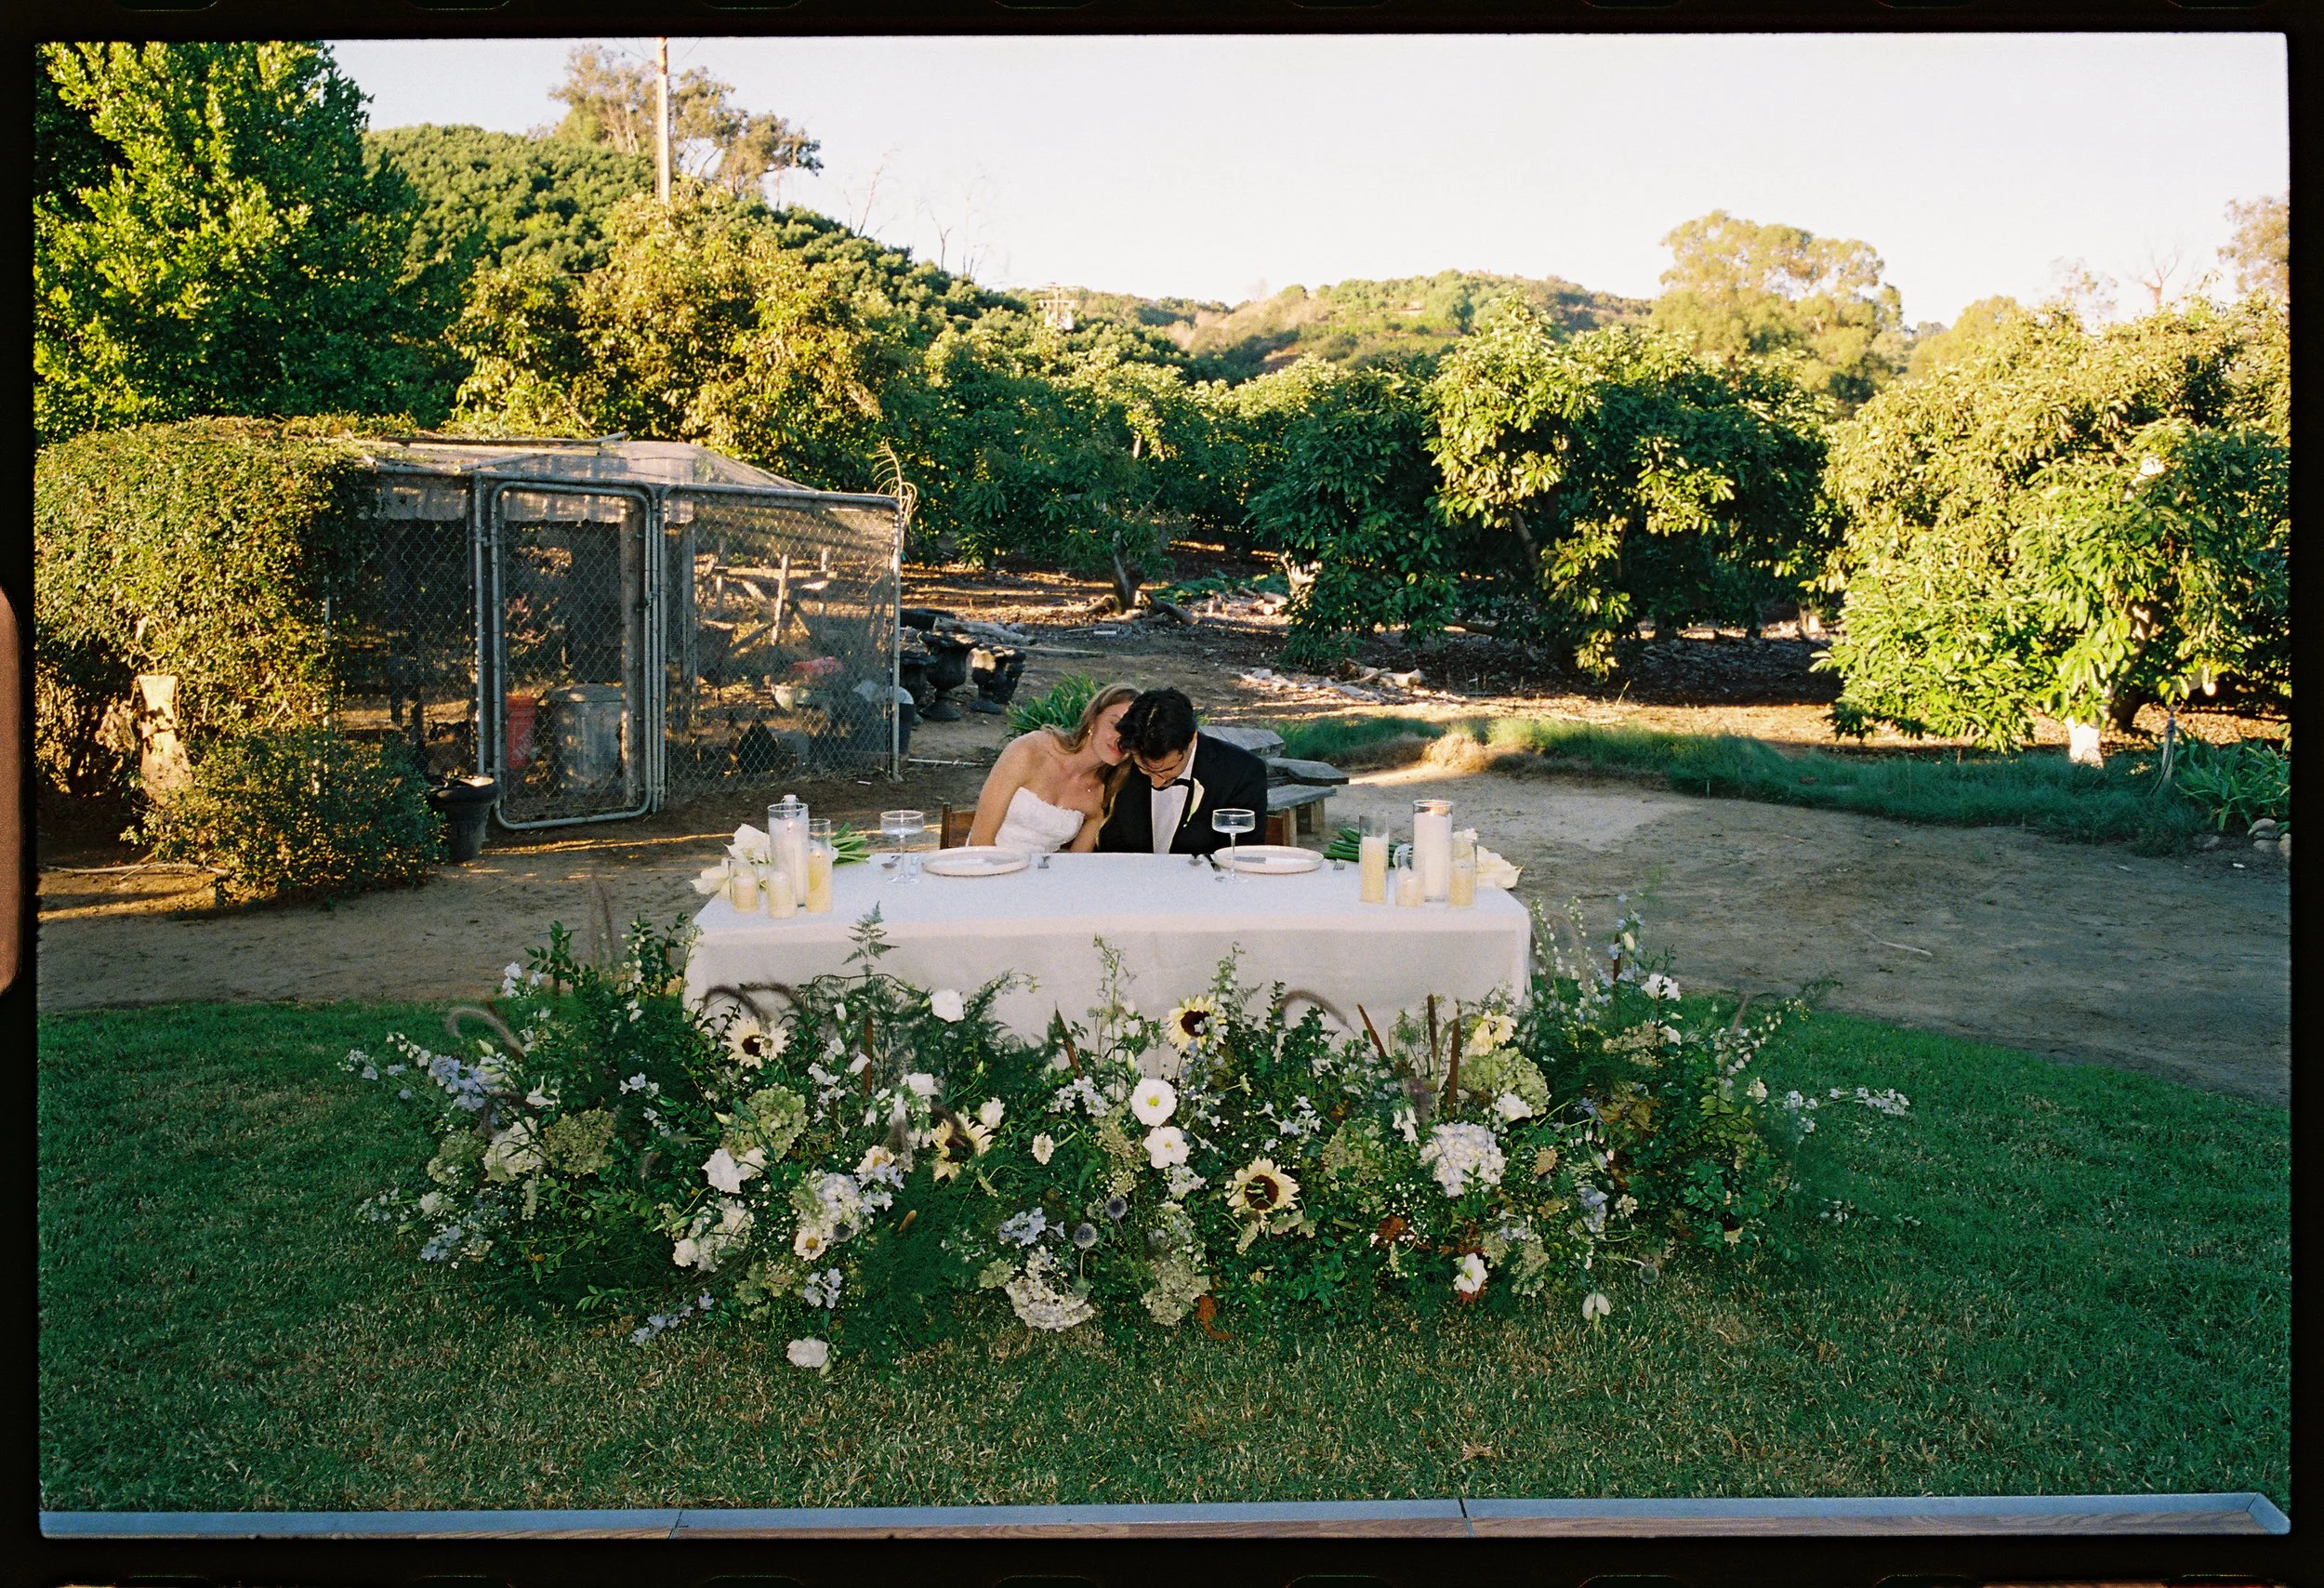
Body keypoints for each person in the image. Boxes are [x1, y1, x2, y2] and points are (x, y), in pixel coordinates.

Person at [964, 682, 1140, 854]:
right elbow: (979, 841)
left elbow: (1078, 866)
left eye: (1132, 733)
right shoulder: (1031, 751)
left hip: (1040, 880)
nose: (1121, 739)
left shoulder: (1100, 794)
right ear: (1093, 719)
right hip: (984, 868)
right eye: (1116, 724)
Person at [1095, 686, 1270, 856]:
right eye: (1144, 770)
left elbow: (1240, 857)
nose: (1156, 783)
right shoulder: (1119, 764)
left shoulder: (1241, 773)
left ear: (1192, 739)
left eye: (1168, 769)